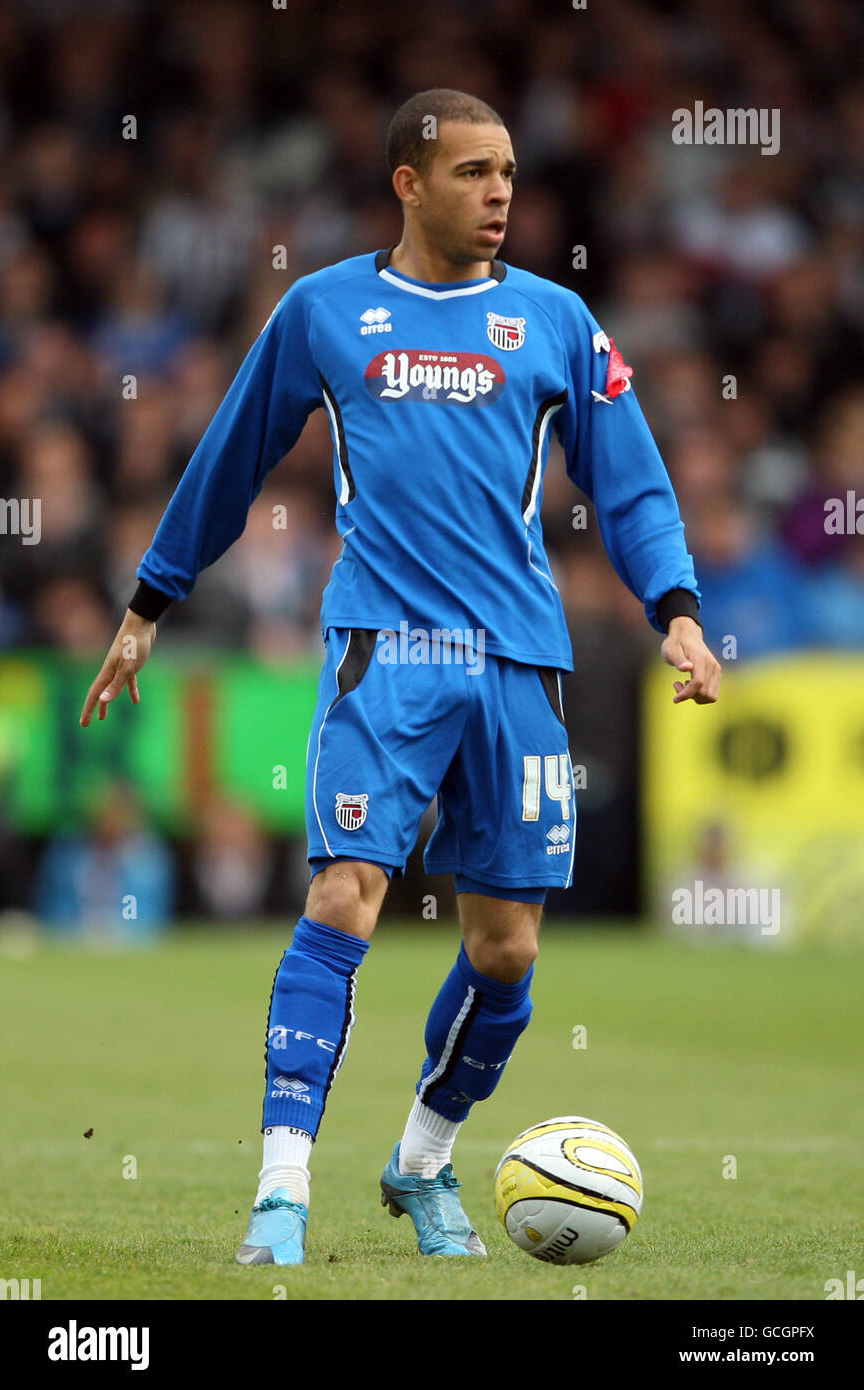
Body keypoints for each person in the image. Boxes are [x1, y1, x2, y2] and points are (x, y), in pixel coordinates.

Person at [80, 89, 721, 1265]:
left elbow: (627, 482)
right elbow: (230, 456)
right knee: (341, 901)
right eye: (474, 173)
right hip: (383, 649)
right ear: (407, 183)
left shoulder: (557, 320)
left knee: (506, 950)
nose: (499, 196)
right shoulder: (325, 310)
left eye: (511, 174)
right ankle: (279, 1193)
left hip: (518, 662)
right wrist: (149, 601)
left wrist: (673, 608)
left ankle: (419, 1163)